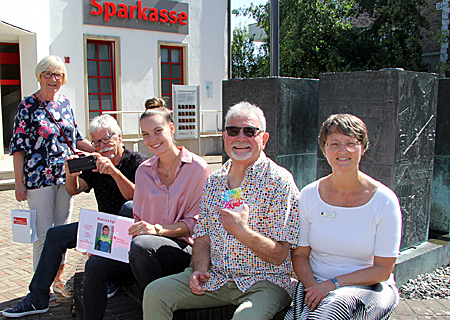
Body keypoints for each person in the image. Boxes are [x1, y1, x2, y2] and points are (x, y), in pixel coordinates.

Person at [143, 101, 300, 320]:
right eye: (233, 131)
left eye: (250, 131)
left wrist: (241, 232)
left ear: (263, 139)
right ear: (224, 137)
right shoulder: (214, 181)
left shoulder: (279, 182)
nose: (240, 138)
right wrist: (198, 269)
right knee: (155, 294)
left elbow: (281, 255)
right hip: (217, 277)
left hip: (265, 281)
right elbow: (202, 238)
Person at [2, 114, 147, 318]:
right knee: (55, 234)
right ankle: (38, 298)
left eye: (106, 139)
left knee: (123, 215)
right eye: (96, 142)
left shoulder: (139, 162)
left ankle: (112, 276)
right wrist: (71, 175)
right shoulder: (95, 162)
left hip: (132, 230)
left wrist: (113, 171)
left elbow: (137, 198)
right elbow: (74, 190)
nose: (102, 146)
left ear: (120, 137)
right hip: (104, 226)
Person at [82, 106, 211, 320]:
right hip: (144, 250)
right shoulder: (143, 171)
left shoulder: (198, 167)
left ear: (171, 129)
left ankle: (157, 310)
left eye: (158, 131)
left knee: (142, 246)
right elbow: (137, 220)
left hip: (184, 248)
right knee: (95, 265)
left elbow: (195, 223)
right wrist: (104, 244)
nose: (152, 139)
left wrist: (157, 230)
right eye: (145, 134)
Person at [284, 114, 402, 320]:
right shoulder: (309, 195)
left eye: (351, 143)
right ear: (324, 149)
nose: (342, 150)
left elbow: (383, 269)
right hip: (315, 283)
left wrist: (332, 285)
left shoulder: (384, 201)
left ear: (363, 148)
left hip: (369, 288)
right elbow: (300, 255)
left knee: (331, 310)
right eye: (334, 144)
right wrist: (314, 288)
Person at [9, 55, 94, 306]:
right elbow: (18, 148)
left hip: (66, 176)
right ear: (39, 75)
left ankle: (58, 280)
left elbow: (76, 137)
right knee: (44, 235)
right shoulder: (27, 106)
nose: (53, 79)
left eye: (58, 75)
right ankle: (40, 289)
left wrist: (102, 149)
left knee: (63, 230)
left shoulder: (65, 103)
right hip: (38, 179)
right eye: (48, 74)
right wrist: (19, 182)